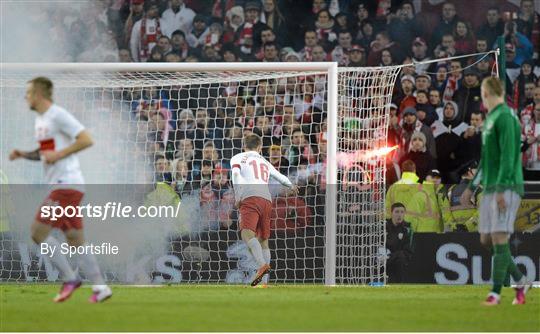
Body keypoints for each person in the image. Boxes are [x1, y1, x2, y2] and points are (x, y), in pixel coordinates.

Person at [8, 77, 112, 303]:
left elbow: (86, 139)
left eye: (28, 92)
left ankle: (70, 278)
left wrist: (60, 155)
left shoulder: (58, 115)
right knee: (75, 239)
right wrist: (23, 154)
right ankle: (101, 287)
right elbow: (44, 154)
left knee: (37, 232)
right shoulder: (41, 122)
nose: (26, 97)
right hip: (64, 186)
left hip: (66, 184)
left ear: (39, 94)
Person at [460, 77, 531, 306]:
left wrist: (501, 189)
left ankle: (495, 294)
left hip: (507, 186)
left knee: (500, 236)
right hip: (490, 187)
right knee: (486, 239)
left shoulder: (507, 117)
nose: (482, 98)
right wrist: (471, 188)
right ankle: (521, 280)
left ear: (489, 92)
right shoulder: (490, 119)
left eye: (483, 93)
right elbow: (487, 160)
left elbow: (510, 156)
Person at [230, 133, 297, 286]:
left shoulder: (238, 157)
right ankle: (265, 282)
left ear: (244, 146)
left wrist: (238, 195)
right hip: (266, 199)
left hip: (250, 196)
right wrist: (291, 186)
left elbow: (235, 175)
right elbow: (280, 177)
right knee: (263, 240)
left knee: (247, 234)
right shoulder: (264, 160)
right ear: (259, 147)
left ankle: (261, 266)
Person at [385, 202, 413, 283]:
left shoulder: (407, 228)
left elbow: (407, 251)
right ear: (391, 213)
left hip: (397, 259)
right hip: (383, 257)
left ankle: (399, 284)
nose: (399, 215)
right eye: (397, 212)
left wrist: (392, 256)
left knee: (401, 258)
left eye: (402, 212)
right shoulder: (383, 226)